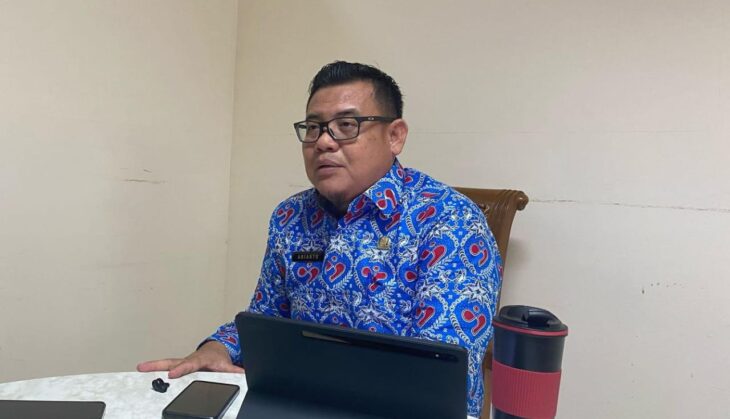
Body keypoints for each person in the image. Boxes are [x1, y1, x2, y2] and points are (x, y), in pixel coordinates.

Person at [138, 61, 502, 417]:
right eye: (313, 128)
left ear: (395, 136)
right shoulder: (290, 217)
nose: (324, 142)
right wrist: (219, 348)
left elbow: (439, 375)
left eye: (346, 125)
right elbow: (267, 318)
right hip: (295, 402)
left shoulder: (450, 220)